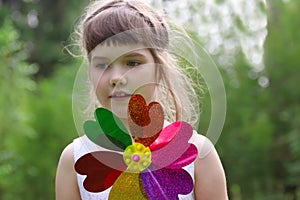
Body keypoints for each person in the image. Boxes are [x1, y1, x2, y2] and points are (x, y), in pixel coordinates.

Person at [55, 0, 228, 199]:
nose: (116, 77)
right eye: (102, 65)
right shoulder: (74, 159)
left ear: (160, 67)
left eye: (132, 62)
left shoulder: (198, 155)